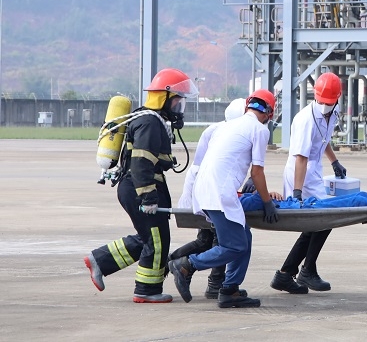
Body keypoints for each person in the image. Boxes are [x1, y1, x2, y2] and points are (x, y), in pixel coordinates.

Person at [84, 68, 198, 303]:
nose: (179, 108)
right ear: (163, 98)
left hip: (138, 187)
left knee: (150, 237)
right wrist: (148, 198)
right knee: (156, 240)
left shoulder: (150, 119)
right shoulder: (149, 122)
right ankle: (147, 291)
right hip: (139, 188)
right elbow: (141, 164)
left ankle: (100, 260)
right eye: (177, 102)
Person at [168, 89, 279, 309]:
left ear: (248, 106)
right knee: (236, 246)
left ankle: (230, 290)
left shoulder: (227, 126)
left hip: (205, 190)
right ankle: (187, 265)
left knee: (243, 235)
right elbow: (257, 173)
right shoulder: (259, 130)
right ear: (269, 114)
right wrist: (267, 203)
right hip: (220, 193)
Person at [270, 72, 348, 294]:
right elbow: (301, 158)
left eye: (329, 103)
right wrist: (296, 191)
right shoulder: (305, 119)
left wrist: (335, 162)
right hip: (299, 172)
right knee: (322, 219)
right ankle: (304, 271)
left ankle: (289, 273)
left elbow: (324, 140)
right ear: (316, 97)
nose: (324, 106)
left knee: (318, 223)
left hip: (313, 171)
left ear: (337, 99)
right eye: (321, 102)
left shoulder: (333, 112)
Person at [168, 98, 245, 300]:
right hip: (206, 191)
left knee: (210, 240)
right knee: (214, 240)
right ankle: (175, 265)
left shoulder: (224, 130)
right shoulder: (221, 132)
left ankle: (203, 279)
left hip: (208, 190)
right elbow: (202, 168)